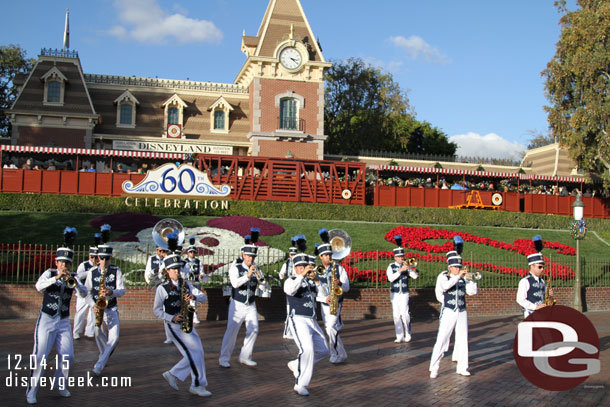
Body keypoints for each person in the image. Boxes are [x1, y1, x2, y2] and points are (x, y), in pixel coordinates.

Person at [26, 227, 87, 404]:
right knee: (40, 356)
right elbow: (39, 287)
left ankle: (60, 383)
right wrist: (56, 277)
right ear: (56, 262)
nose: (64, 266)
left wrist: (76, 284)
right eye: (61, 263)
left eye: (67, 263)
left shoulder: (73, 276)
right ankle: (32, 391)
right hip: (46, 320)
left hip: (63, 321)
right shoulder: (49, 273)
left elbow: (84, 294)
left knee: (68, 356)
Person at [155, 254, 212, 397]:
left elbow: (204, 298)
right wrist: (171, 317)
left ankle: (173, 374)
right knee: (192, 353)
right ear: (167, 271)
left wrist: (194, 297)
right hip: (173, 326)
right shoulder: (162, 289)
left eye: (178, 268)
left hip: (187, 322)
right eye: (173, 269)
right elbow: (156, 310)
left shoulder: (186, 285)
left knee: (198, 352)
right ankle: (197, 384)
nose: (176, 271)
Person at [218, 228, 269, 368]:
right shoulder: (235, 267)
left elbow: (263, 284)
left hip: (251, 304)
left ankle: (245, 356)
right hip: (237, 304)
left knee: (254, 329)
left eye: (252, 257)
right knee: (232, 331)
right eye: (248, 256)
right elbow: (235, 283)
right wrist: (247, 275)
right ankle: (224, 357)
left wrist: (262, 281)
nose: (250, 259)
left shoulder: (256, 268)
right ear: (243, 255)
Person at [429, 237, 477, 379]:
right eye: (456, 267)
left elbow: (472, 292)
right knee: (442, 339)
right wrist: (457, 277)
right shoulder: (443, 276)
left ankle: (462, 367)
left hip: (462, 311)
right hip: (449, 310)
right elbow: (445, 287)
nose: (458, 269)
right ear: (450, 267)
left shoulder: (463, 277)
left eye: (459, 266)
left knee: (462, 339)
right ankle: (434, 367)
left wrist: (470, 279)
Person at [284, 253, 329, 396]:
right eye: (300, 267)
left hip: (312, 320)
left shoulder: (311, 282)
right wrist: (302, 275)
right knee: (308, 349)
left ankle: (297, 364)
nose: (303, 269)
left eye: (305, 266)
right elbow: (290, 290)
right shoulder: (290, 280)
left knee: (323, 350)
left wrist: (316, 281)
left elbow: (325, 295)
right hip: (297, 318)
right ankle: (300, 383)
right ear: (295, 268)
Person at [86, 241, 125, 376]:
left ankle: (99, 365)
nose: (103, 261)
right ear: (97, 258)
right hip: (97, 308)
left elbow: (122, 290)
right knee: (97, 333)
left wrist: (111, 292)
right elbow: (86, 293)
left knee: (115, 337)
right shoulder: (91, 272)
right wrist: (93, 305)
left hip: (111, 308)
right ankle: (104, 355)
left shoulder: (116, 271)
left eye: (106, 258)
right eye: (101, 258)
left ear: (110, 258)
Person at [316, 228, 350, 364]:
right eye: (325, 255)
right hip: (324, 303)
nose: (329, 257)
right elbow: (315, 292)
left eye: (330, 254)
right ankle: (342, 353)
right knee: (330, 329)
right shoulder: (316, 271)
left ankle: (334, 353)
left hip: (336, 302)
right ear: (321, 257)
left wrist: (340, 283)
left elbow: (347, 288)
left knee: (330, 328)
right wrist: (324, 298)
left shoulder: (339, 269)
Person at [386, 235, 418, 343]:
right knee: (396, 315)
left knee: (405, 313)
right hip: (395, 294)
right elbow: (390, 278)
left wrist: (410, 269)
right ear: (395, 257)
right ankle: (399, 335)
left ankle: (408, 333)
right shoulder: (391, 267)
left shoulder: (406, 266)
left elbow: (415, 276)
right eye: (399, 257)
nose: (401, 258)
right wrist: (400, 271)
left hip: (404, 293)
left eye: (402, 256)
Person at [516, 235, 553, 318]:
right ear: (532, 266)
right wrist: (535, 307)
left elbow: (544, 297)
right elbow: (520, 299)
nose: (542, 269)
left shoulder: (542, 281)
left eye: (543, 267)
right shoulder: (525, 281)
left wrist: (549, 296)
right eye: (539, 267)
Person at [72, 236, 100, 339]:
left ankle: (89, 331)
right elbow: (78, 276)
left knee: (93, 313)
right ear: (89, 256)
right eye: (92, 257)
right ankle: (76, 331)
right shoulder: (84, 265)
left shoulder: (100, 266)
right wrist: (91, 270)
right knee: (80, 313)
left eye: (96, 257)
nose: (94, 259)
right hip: (83, 293)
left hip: (93, 293)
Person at [183, 238, 208, 324]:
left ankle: (194, 315)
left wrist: (202, 275)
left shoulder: (198, 262)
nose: (192, 253)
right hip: (188, 282)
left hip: (196, 282)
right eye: (190, 252)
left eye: (194, 252)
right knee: (187, 299)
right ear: (188, 253)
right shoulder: (184, 262)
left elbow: (202, 272)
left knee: (194, 300)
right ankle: (188, 315)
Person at [279, 238, 298, 339]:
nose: (292, 256)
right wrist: (281, 275)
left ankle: (294, 329)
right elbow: (282, 273)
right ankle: (287, 331)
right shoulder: (286, 264)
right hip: (290, 284)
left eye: (294, 254)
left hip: (298, 285)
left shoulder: (299, 263)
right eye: (291, 254)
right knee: (289, 309)